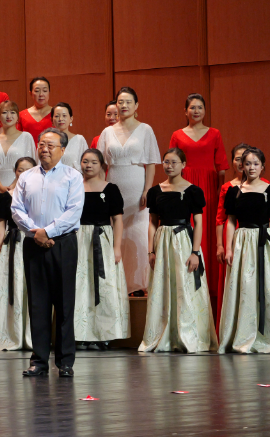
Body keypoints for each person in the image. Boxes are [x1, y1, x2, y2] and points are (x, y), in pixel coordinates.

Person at [12, 128, 84, 377]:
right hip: (33, 243)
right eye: (41, 144)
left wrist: (48, 232)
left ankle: (65, 362)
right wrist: (36, 233)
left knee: (64, 303)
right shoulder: (26, 177)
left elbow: (73, 211)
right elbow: (16, 209)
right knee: (38, 303)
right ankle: (39, 361)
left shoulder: (73, 176)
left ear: (63, 150)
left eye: (50, 145)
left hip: (63, 243)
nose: (44, 149)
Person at [138, 148, 218, 353]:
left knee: (186, 286)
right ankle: (164, 335)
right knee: (163, 287)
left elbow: (198, 223)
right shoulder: (155, 191)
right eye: (166, 162)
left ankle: (189, 335)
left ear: (183, 165)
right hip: (163, 241)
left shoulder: (193, 191)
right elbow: (152, 223)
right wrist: (151, 251)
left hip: (184, 241)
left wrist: (195, 252)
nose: (169, 166)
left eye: (174, 162)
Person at [219, 147, 270, 353]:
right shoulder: (234, 191)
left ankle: (269, 336)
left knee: (267, 288)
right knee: (244, 287)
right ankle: (242, 334)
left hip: (263, 242)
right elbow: (230, 221)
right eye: (247, 163)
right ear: (242, 166)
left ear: (262, 166)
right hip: (242, 242)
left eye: (256, 163)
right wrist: (229, 248)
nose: (251, 167)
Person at [169, 94, 229, 318]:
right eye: (192, 107)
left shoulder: (215, 133)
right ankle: (188, 287)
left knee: (208, 235)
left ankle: (210, 294)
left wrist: (219, 191)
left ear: (205, 110)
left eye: (200, 107)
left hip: (209, 188)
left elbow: (221, 167)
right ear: (185, 111)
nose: (196, 111)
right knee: (189, 231)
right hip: (185, 186)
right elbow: (172, 163)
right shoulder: (177, 135)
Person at [98, 87, 161, 295]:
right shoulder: (107, 132)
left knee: (138, 234)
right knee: (114, 231)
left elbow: (151, 163)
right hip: (113, 184)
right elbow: (100, 165)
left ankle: (139, 286)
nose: (123, 105)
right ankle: (115, 284)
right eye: (120, 102)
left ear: (136, 106)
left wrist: (147, 190)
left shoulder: (145, 129)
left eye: (128, 102)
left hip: (137, 188)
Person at [74, 149, 129, 348]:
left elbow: (118, 220)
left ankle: (103, 334)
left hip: (102, 239)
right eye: (85, 161)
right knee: (80, 286)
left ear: (101, 165)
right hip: (79, 239)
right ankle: (79, 334)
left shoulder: (110, 189)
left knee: (104, 287)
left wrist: (117, 247)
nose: (88, 165)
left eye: (93, 162)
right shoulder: (73, 187)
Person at [0, 156, 36, 351]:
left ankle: (31, 335)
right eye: (20, 170)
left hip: (32, 242)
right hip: (11, 244)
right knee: (11, 286)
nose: (24, 173)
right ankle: (10, 332)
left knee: (30, 286)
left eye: (28, 170)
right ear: (15, 172)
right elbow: (1, 223)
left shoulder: (39, 194)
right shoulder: (5, 197)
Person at [215, 143, 255, 319]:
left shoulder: (264, 185)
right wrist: (220, 246)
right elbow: (220, 219)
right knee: (233, 280)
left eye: (244, 159)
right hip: (232, 237)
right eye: (237, 159)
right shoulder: (227, 188)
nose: (241, 163)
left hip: (254, 236)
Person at [0, 100, 38, 211]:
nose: (9, 116)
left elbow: (31, 166)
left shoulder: (26, 137)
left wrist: (13, 186)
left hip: (21, 188)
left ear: (17, 116)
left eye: (12, 112)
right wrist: (1, 188)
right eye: (4, 112)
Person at [52, 102, 88, 171]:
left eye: (64, 116)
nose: (60, 119)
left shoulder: (79, 139)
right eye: (57, 116)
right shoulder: (47, 141)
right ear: (52, 119)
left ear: (71, 119)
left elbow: (86, 163)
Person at [18, 77, 53, 142]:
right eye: (37, 91)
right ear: (30, 93)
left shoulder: (57, 114)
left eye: (45, 91)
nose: (41, 94)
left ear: (49, 92)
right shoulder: (21, 115)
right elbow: (17, 139)